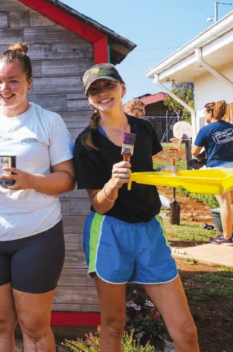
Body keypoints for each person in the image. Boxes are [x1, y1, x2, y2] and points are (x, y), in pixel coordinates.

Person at [73, 63, 199, 352]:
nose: (103, 93)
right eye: (95, 90)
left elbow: (148, 168)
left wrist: (166, 169)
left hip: (149, 231)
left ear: (122, 88)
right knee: (114, 324)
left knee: (186, 331)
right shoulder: (86, 142)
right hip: (109, 233)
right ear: (89, 99)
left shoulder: (143, 127)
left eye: (108, 85)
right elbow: (99, 205)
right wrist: (112, 185)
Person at [0, 42, 75, 352]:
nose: (5, 87)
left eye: (13, 80)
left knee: (35, 327)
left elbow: (67, 179)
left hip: (37, 235)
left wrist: (31, 181)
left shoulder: (49, 121)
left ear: (29, 83)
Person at [192, 100, 233, 245]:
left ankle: (227, 237)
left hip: (218, 169)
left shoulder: (206, 129)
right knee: (231, 203)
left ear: (211, 113)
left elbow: (194, 151)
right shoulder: (231, 127)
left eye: (204, 113)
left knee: (224, 203)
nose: (203, 116)